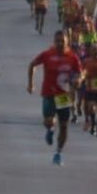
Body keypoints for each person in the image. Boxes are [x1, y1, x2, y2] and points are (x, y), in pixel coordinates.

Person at [27, 29, 83, 166]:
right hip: (49, 93)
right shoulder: (48, 54)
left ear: (67, 42)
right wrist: (30, 84)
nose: (60, 44)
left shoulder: (72, 57)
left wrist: (78, 80)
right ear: (54, 41)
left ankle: (58, 153)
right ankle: (50, 129)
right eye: (57, 41)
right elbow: (32, 64)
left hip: (64, 96)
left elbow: (79, 73)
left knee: (64, 126)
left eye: (62, 41)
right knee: (48, 121)